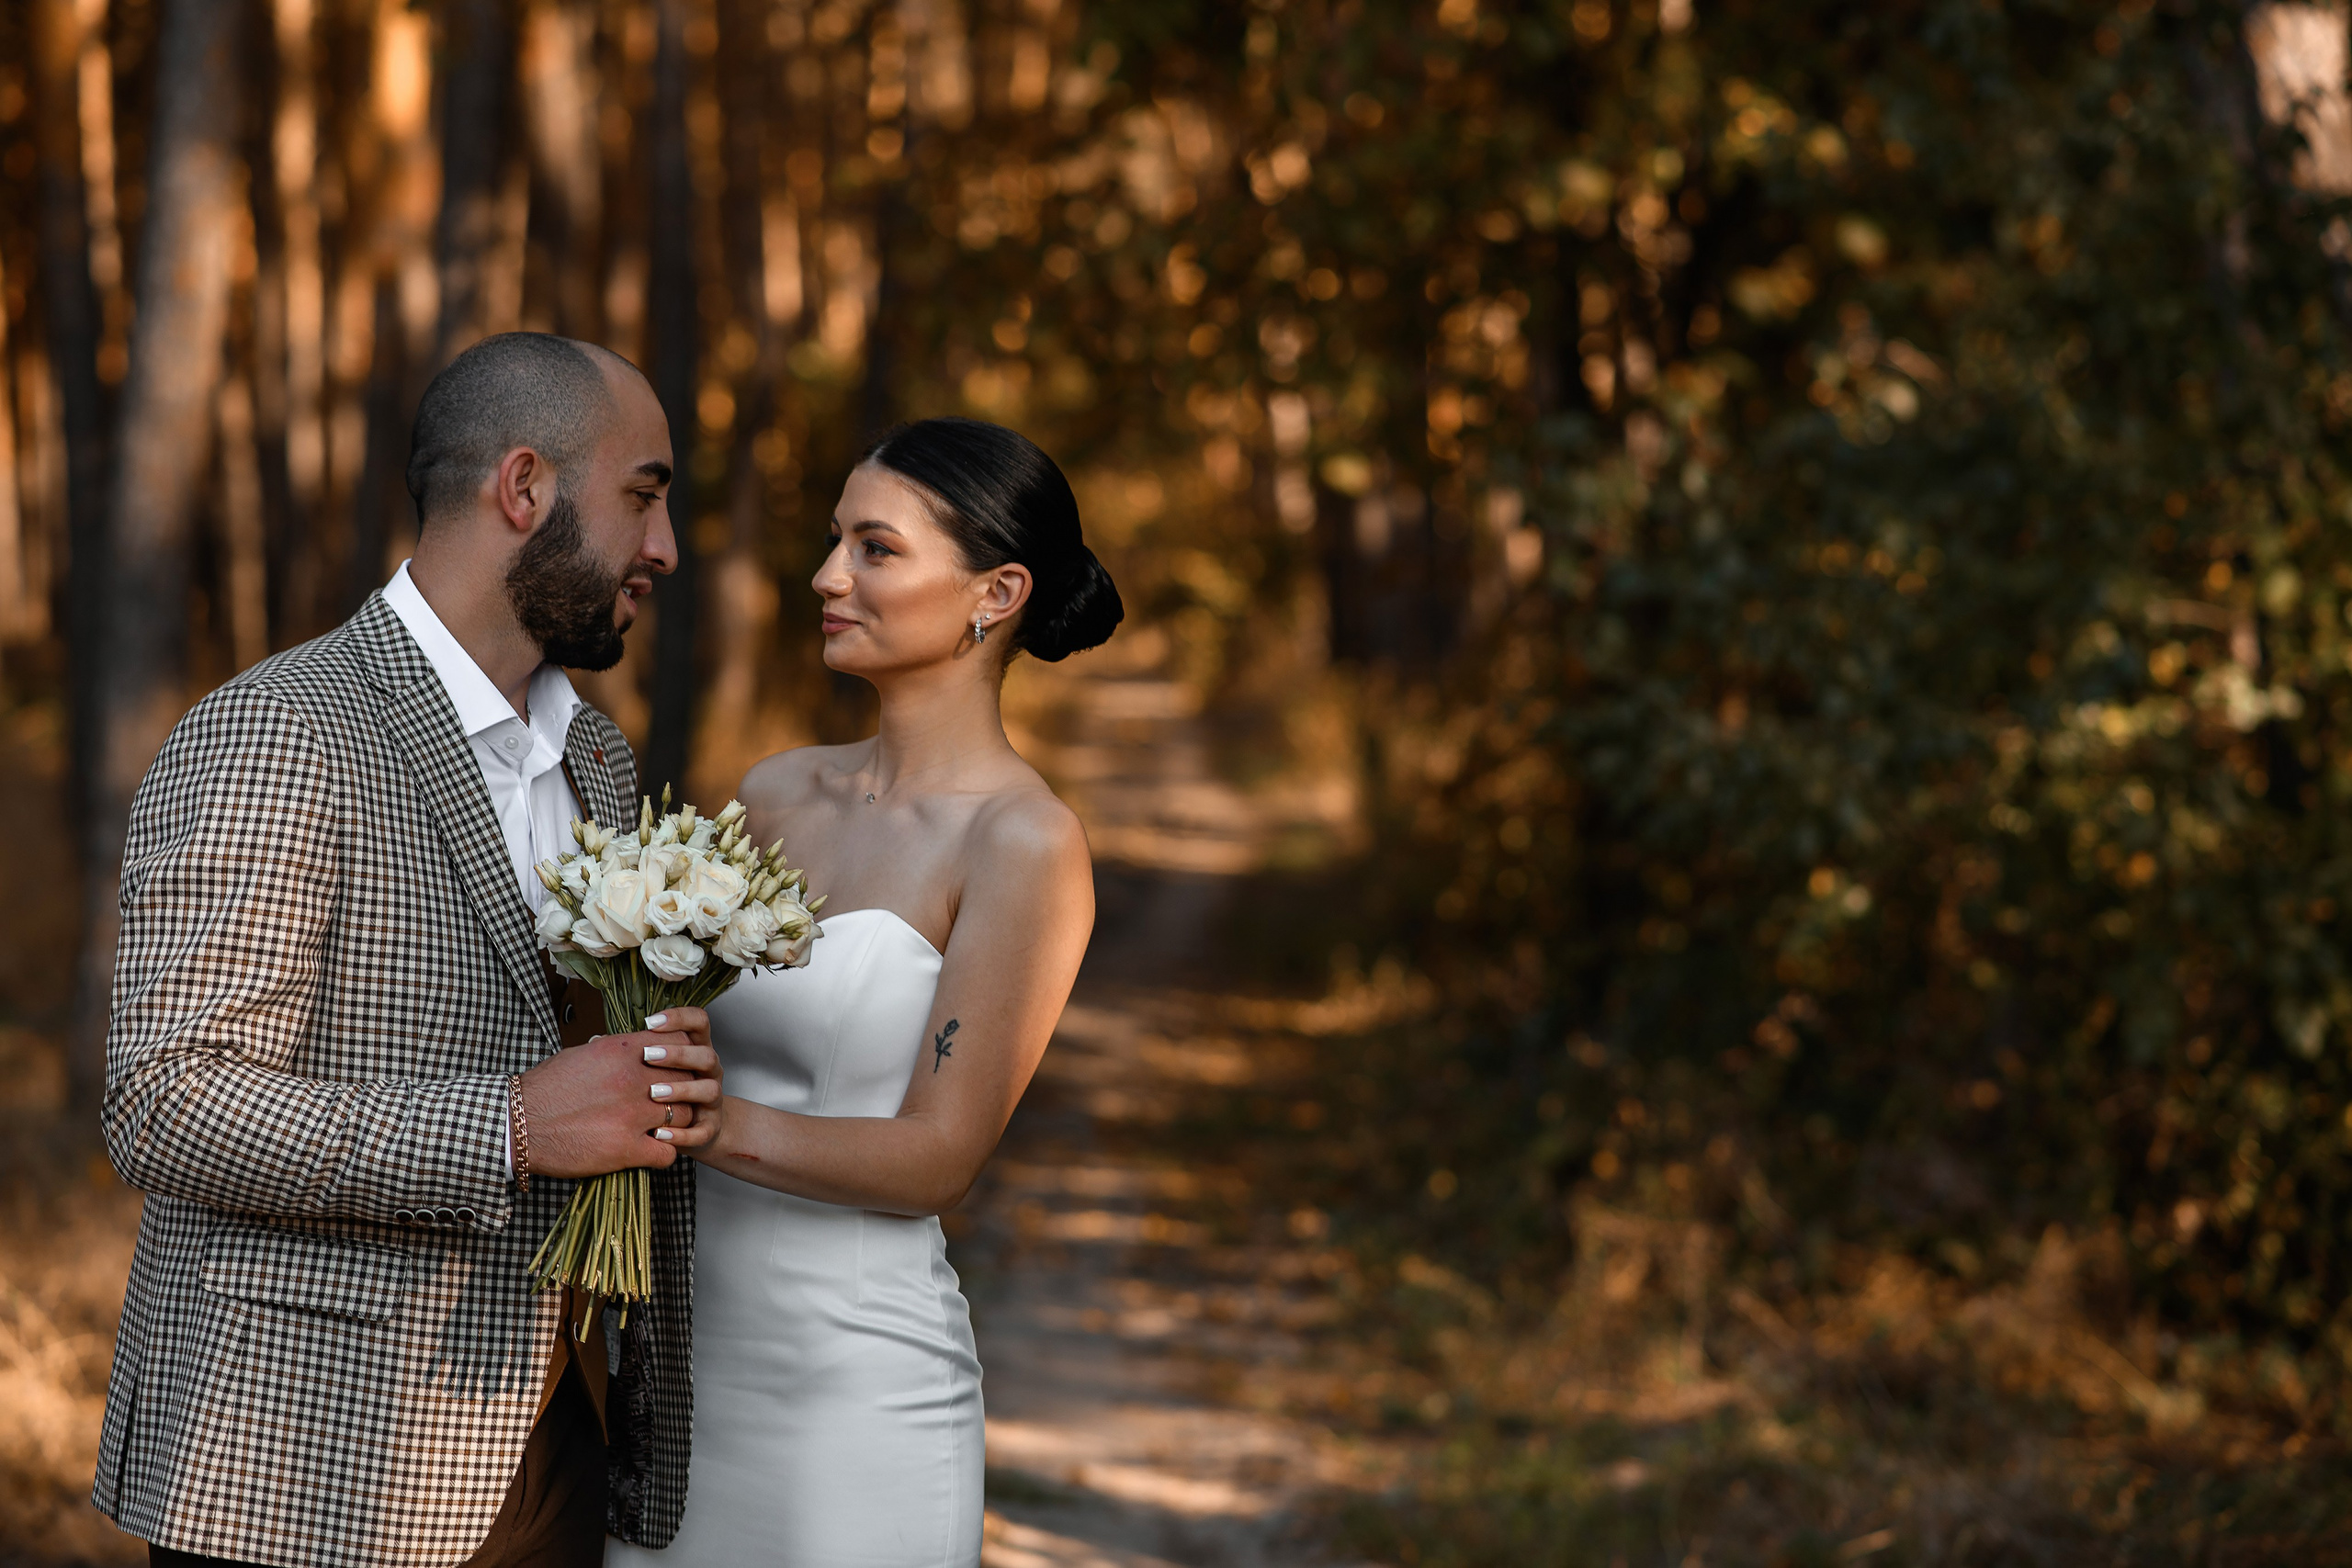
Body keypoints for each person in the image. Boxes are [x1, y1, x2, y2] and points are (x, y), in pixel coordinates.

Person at [94, 333, 712, 1567]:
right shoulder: (282, 730)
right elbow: (163, 1100)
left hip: (546, 1439)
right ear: (523, 489)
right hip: (302, 1462)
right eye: (643, 495)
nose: (665, 549)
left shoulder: (595, 759)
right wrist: (512, 1127)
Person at [604, 417, 1123, 1567]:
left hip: (853, 1396)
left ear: (996, 592)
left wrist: (713, 1124)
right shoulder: (778, 792)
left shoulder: (1022, 842)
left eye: (874, 549)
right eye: (835, 540)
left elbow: (940, 1157)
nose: (826, 576)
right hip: (680, 1371)